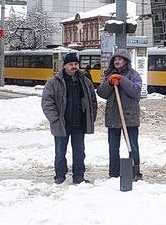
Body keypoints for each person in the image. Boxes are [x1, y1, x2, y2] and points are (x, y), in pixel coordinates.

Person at [41, 52, 98, 185]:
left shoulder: (85, 81)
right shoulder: (54, 82)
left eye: (76, 64)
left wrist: (91, 117)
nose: (74, 66)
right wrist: (55, 119)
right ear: (64, 66)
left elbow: (93, 102)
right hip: (62, 123)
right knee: (60, 152)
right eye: (71, 64)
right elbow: (47, 103)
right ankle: (60, 176)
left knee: (79, 152)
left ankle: (79, 176)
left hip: (79, 123)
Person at [97, 49, 143, 181]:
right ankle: (113, 172)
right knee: (113, 146)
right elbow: (101, 92)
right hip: (113, 115)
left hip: (129, 115)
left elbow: (135, 91)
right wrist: (110, 83)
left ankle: (135, 171)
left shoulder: (134, 75)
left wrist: (122, 80)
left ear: (126, 61)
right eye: (115, 59)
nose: (117, 61)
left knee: (132, 144)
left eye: (120, 59)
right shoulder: (108, 75)